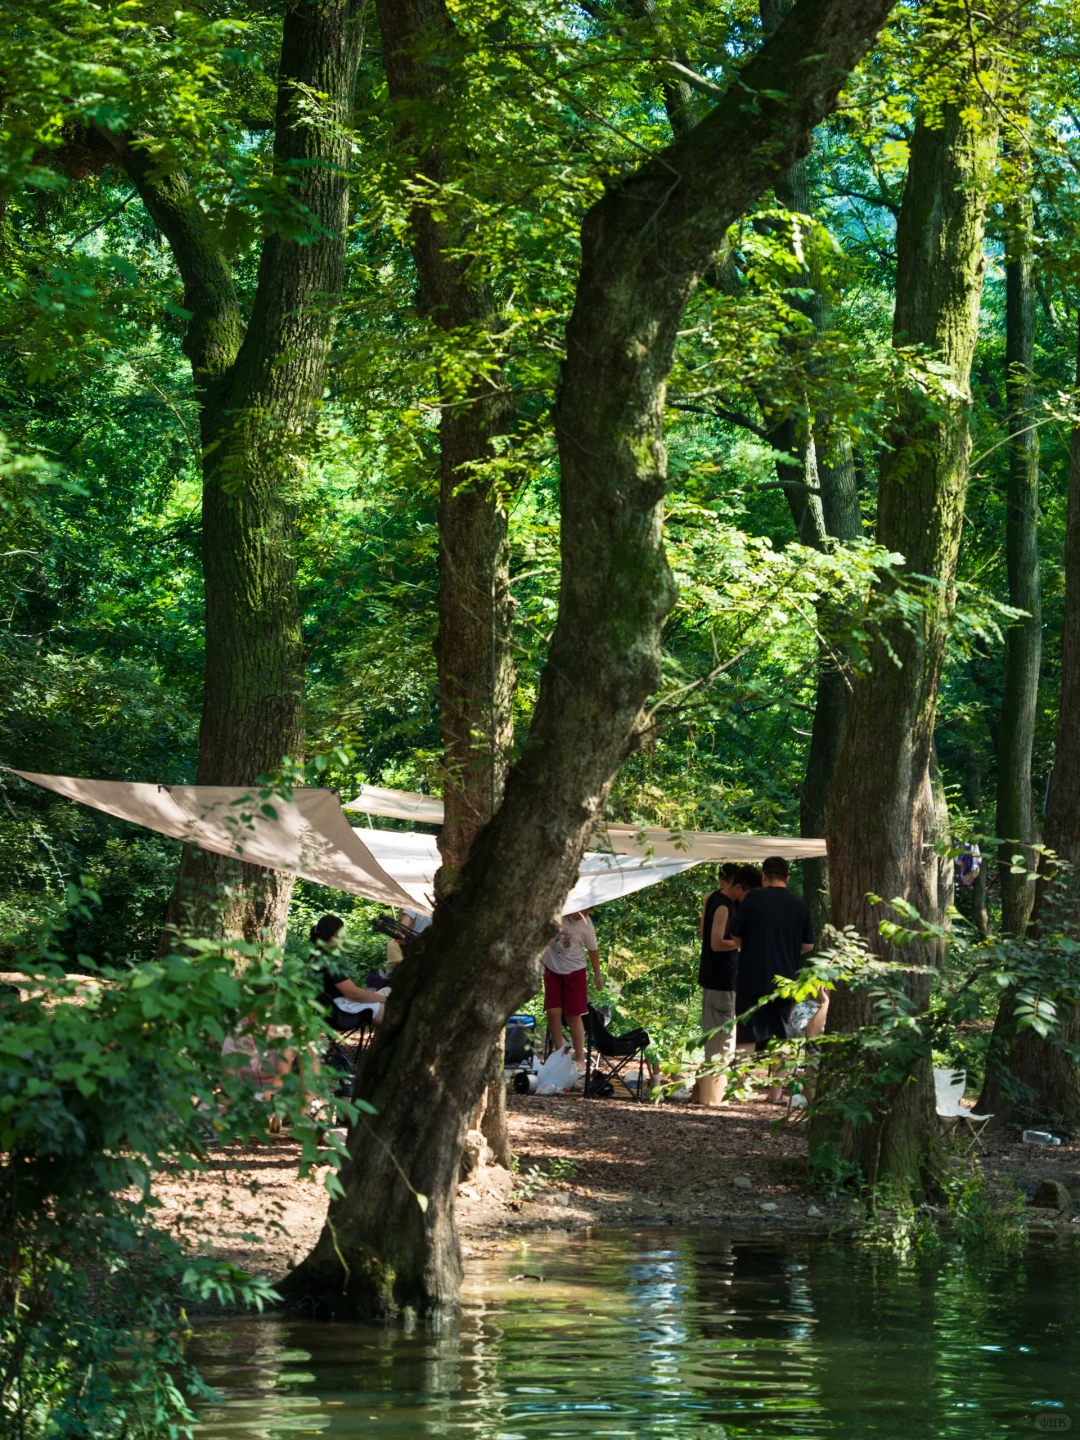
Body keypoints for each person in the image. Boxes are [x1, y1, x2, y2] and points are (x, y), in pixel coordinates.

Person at [725, 857, 814, 1102]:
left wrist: (757, 946)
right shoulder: (799, 904)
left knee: (747, 1036)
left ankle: (740, 1090)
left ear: (764, 876)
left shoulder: (753, 899)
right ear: (787, 877)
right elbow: (808, 945)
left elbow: (736, 938)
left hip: (752, 976)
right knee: (782, 1035)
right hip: (785, 980)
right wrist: (786, 949)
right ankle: (775, 1093)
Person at [697, 864, 744, 1097]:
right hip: (723, 978)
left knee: (713, 1035)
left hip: (711, 975)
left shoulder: (711, 898)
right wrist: (742, 943)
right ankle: (715, 1092)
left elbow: (702, 933)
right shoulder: (724, 906)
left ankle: (711, 1090)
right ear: (733, 884)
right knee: (723, 1038)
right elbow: (715, 942)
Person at [543, 909, 603, 1069]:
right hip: (552, 968)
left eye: (587, 912)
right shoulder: (559, 913)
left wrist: (598, 975)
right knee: (553, 1012)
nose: (583, 915)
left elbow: (593, 950)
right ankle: (559, 1055)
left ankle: (580, 1059)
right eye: (581, 911)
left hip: (575, 970)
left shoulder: (586, 924)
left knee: (572, 1015)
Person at [310, 914, 389, 1028]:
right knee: (393, 1009)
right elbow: (354, 994)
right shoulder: (331, 960)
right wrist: (386, 1000)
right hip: (340, 1012)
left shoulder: (316, 955)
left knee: (385, 992)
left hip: (328, 1009)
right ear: (337, 933)